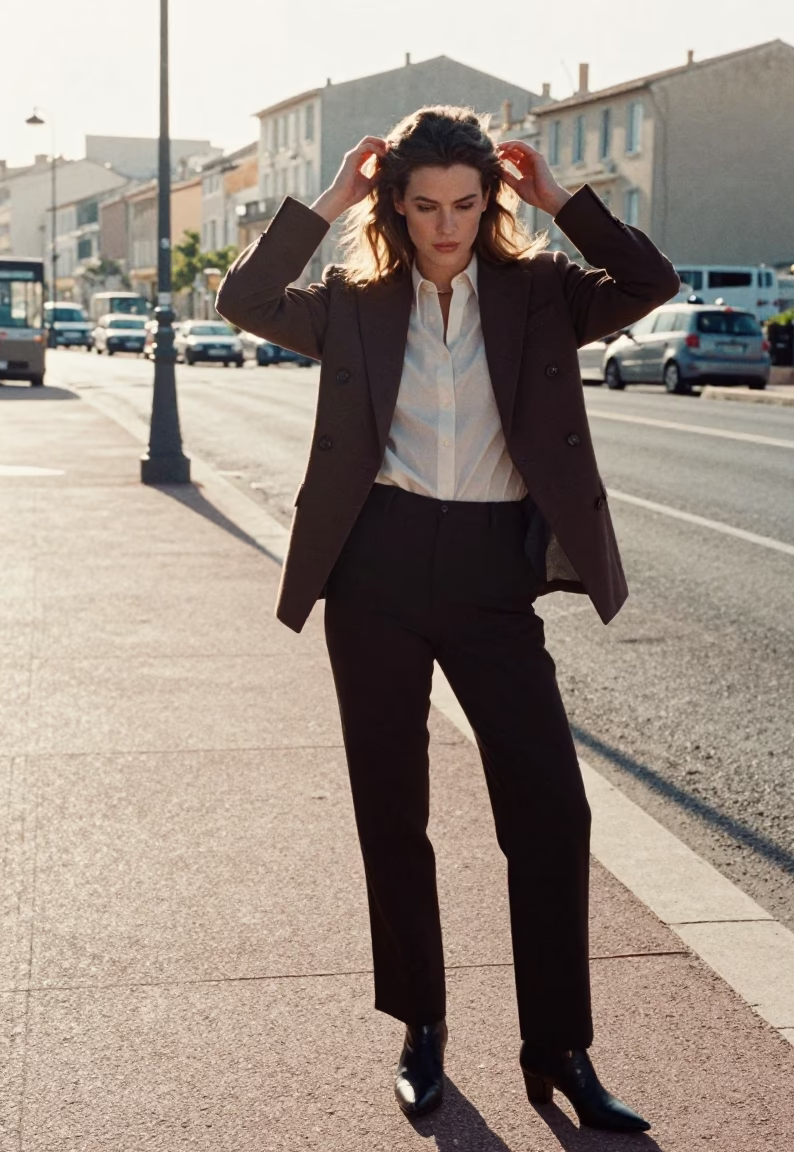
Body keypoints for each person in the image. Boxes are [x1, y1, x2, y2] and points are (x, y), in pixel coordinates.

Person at [216, 105, 679, 1131]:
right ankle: (420, 1023)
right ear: (396, 205)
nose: (447, 226)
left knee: (553, 814)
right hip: (372, 566)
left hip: (489, 576)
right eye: (424, 206)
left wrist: (562, 201)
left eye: (467, 204)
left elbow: (652, 285)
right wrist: (328, 197)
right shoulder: (355, 300)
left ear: (492, 203)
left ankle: (558, 1048)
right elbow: (243, 297)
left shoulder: (541, 293)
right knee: (395, 810)